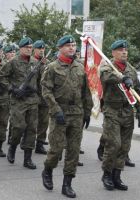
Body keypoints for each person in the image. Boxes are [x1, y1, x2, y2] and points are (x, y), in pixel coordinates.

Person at [41, 35, 93, 198]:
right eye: (68, 45)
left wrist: (87, 111)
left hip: (76, 113)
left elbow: (86, 92)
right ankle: (48, 170)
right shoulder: (52, 67)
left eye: (73, 45)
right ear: (60, 48)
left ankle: (67, 184)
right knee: (56, 150)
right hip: (60, 113)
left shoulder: (79, 67)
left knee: (74, 151)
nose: (72, 48)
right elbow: (46, 91)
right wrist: (56, 110)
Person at [99, 39, 140, 191]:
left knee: (124, 146)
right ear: (113, 53)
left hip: (127, 111)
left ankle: (117, 175)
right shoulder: (107, 65)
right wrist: (122, 78)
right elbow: (106, 77)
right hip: (112, 109)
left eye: (125, 50)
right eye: (120, 50)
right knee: (114, 144)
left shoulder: (131, 69)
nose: (124, 52)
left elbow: (137, 90)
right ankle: (107, 174)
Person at [0, 37, 39, 170]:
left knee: (32, 129)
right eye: (26, 47)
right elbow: (1, 78)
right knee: (19, 127)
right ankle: (13, 147)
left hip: (32, 100)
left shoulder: (35, 62)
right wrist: (12, 89)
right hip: (18, 100)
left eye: (30, 47)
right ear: (20, 48)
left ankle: (28, 158)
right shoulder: (13, 62)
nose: (29, 49)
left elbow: (40, 81)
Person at [32, 40, 49, 155]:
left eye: (43, 49)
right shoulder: (31, 62)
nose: (42, 50)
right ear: (34, 50)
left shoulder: (47, 63)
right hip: (33, 96)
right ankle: (28, 141)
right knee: (32, 122)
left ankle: (40, 143)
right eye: (39, 49)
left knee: (44, 121)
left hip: (45, 97)